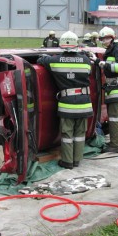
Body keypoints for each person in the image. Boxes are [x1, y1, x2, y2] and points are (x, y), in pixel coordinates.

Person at [37, 31, 93, 169]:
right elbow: (89, 72)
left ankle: (67, 161)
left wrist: (47, 57)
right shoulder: (86, 61)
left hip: (67, 103)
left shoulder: (53, 61)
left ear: (61, 45)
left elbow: (40, 61)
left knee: (67, 133)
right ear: (76, 45)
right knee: (80, 133)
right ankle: (77, 160)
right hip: (84, 102)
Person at [90, 26, 118, 153]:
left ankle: (116, 145)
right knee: (113, 117)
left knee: (114, 118)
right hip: (113, 89)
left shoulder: (117, 50)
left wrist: (104, 64)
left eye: (106, 39)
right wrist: (97, 61)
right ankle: (115, 142)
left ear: (112, 38)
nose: (103, 41)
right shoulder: (110, 51)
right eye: (102, 39)